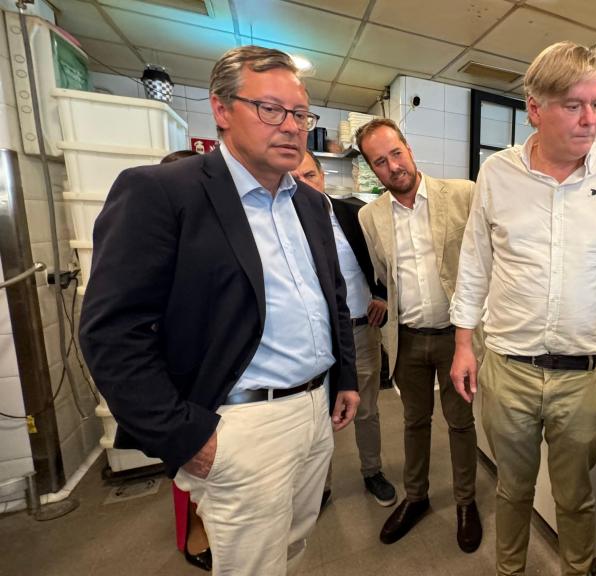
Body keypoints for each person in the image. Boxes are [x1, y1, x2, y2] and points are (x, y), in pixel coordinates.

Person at [79, 45, 360, 575]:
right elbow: (113, 333)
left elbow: (333, 298)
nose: (290, 126)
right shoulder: (163, 192)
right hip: (239, 422)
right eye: (270, 109)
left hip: (315, 409)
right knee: (251, 566)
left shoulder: (309, 203)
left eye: (300, 114)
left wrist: (344, 376)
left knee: (294, 546)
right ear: (222, 109)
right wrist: (186, 437)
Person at [449, 41, 596, 576]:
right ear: (535, 110)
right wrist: (463, 344)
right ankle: (510, 571)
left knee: (575, 496)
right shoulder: (498, 173)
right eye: (573, 105)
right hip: (509, 369)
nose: (591, 120)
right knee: (512, 489)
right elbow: (475, 262)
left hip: (585, 374)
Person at [355, 118, 482, 553]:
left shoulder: (462, 193)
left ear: (408, 148)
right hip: (406, 338)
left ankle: (466, 501)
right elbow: (384, 273)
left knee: (461, 422)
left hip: (456, 338)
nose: (393, 166)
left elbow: (486, 258)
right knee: (414, 421)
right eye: (380, 162)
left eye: (396, 153)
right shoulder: (369, 216)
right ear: (372, 169)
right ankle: (416, 497)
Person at [291, 151, 397, 509]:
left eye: (309, 175)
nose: (303, 185)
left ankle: (372, 471)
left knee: (366, 409)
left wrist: (382, 296)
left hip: (359, 330)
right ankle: (319, 485)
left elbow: (385, 259)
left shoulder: (353, 215)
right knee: (316, 413)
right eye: (294, 178)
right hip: (312, 338)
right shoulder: (282, 222)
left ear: (322, 177)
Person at [155, 149, 212, 572]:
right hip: (180, 367)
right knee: (190, 459)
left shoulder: (213, 230)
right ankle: (195, 532)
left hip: (217, 367)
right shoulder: (155, 232)